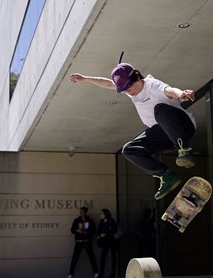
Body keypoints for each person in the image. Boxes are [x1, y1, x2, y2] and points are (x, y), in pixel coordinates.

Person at [70, 63, 196, 200]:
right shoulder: (129, 91)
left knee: (159, 110)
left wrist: (181, 94)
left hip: (183, 126)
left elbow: (169, 90)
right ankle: (165, 175)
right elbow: (107, 84)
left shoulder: (151, 85)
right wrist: (85, 78)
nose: (129, 92)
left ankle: (184, 150)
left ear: (137, 76)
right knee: (129, 150)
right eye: (125, 90)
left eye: (130, 87)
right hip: (163, 135)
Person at [67, 207, 99, 278]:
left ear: (85, 212)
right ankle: (71, 274)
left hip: (87, 241)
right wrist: (77, 230)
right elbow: (72, 230)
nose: (81, 213)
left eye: (82, 212)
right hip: (79, 242)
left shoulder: (90, 221)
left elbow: (94, 231)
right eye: (80, 212)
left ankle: (96, 273)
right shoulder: (77, 220)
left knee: (92, 258)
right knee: (75, 258)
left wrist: (87, 232)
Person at [97, 208, 118, 278]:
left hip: (112, 241)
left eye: (102, 214)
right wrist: (99, 236)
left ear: (105, 214)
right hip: (104, 242)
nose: (101, 215)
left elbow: (115, 230)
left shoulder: (111, 221)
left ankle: (113, 274)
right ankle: (101, 274)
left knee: (113, 258)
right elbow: (99, 230)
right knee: (102, 258)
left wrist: (106, 233)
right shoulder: (101, 221)